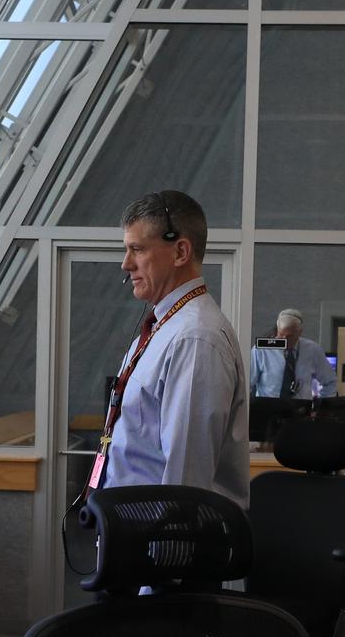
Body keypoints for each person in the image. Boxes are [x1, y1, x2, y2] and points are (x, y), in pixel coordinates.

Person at [91, 189, 249, 506]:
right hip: (128, 524)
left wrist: (165, 541)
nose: (125, 264)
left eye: (137, 249)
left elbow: (185, 485)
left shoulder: (195, 339)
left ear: (180, 252)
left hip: (159, 531)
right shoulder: (164, 328)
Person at [251, 308, 337, 399]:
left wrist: (321, 404)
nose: (284, 340)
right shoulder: (262, 349)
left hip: (301, 406)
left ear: (300, 332)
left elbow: (330, 382)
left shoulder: (313, 350)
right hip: (268, 406)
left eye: (289, 336)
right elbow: (247, 382)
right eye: (280, 335)